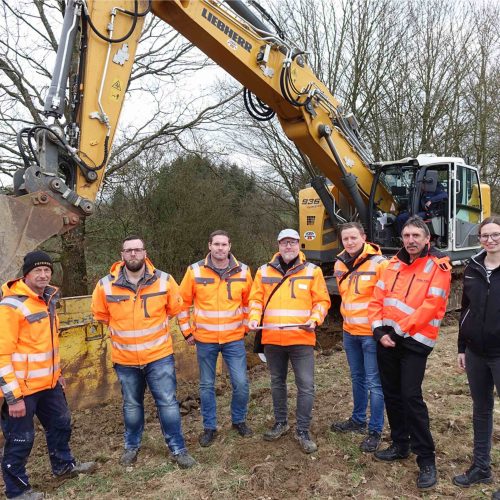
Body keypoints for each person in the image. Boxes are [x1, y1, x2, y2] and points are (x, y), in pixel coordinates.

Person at [91, 235, 195, 469]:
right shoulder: (104, 285)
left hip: (158, 357)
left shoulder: (164, 280)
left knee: (168, 403)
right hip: (125, 360)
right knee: (131, 405)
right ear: (122, 255)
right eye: (128, 250)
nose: (133, 254)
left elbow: (174, 310)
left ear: (145, 253)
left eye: (137, 250)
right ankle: (132, 446)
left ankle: (178, 449)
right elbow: (102, 317)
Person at [0, 251, 96, 500]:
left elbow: (46, 344)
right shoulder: (12, 306)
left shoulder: (48, 299)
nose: (43, 275)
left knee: (61, 424)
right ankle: (16, 491)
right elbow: (2, 355)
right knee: (21, 439)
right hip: (23, 389)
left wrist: (58, 373)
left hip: (50, 383)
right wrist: (13, 398)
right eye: (37, 271)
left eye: (47, 271)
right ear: (26, 274)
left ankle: (63, 466)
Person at [368, 216, 451, 490]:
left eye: (416, 235)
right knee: (391, 394)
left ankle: (426, 458)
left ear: (427, 239)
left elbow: (431, 305)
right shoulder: (391, 265)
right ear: (401, 239)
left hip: (414, 342)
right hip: (387, 340)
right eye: (406, 236)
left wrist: (397, 332)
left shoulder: (438, 266)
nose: (411, 240)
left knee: (410, 397)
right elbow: (377, 300)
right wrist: (379, 332)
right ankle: (400, 444)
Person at [248, 229, 331, 454]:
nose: (289, 247)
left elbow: (322, 301)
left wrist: (315, 319)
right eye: (285, 243)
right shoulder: (264, 271)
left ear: (299, 246)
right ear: (278, 245)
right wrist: (254, 318)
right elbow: (255, 299)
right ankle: (281, 422)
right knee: (277, 382)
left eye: (293, 243)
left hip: (301, 339)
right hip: (272, 338)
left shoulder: (312, 271)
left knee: (306, 386)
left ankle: (303, 430)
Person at [177, 230, 253, 447]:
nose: (220, 248)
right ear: (209, 246)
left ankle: (238, 420)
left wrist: (245, 327)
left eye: (224, 244)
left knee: (241, 383)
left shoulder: (243, 271)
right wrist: (187, 332)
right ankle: (209, 427)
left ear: (230, 246)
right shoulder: (194, 271)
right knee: (207, 385)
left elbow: (250, 302)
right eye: (216, 244)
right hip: (206, 339)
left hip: (233, 338)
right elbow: (181, 304)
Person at [330, 222, 388, 452]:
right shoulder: (340, 264)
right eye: (346, 239)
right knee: (357, 378)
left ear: (364, 237)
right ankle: (357, 420)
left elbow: (387, 298)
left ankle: (375, 430)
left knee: (375, 382)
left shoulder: (380, 264)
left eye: (354, 238)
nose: (350, 242)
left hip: (371, 334)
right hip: (350, 332)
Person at [453, 216, 500, 491]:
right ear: (480, 238)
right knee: (481, 410)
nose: (491, 240)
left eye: (496, 235)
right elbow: (465, 309)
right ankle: (481, 467)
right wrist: (462, 347)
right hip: (475, 353)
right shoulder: (473, 267)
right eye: (486, 236)